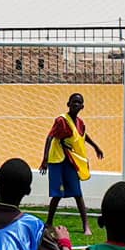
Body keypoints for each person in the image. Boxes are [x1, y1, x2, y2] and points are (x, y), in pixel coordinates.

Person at [41, 92, 106, 237]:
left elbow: (83, 135)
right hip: (58, 161)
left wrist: (95, 146)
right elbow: (50, 137)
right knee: (57, 194)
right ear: (68, 104)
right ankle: (49, 223)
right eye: (73, 102)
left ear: (82, 106)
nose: (76, 104)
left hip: (71, 161)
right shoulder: (61, 121)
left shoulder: (81, 123)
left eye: (79, 102)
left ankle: (86, 225)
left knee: (77, 193)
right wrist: (44, 159)